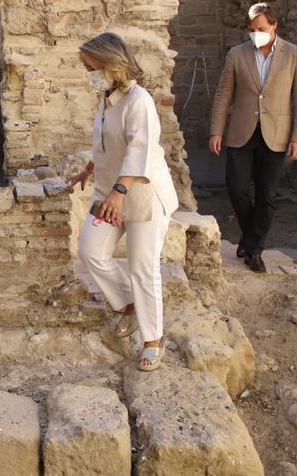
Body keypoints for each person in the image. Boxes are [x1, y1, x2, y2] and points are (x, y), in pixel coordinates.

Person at [67, 32, 179, 372]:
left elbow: (139, 149)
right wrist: (89, 168)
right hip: (109, 190)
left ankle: (153, 339)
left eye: (90, 65)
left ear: (111, 64)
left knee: (143, 267)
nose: (87, 71)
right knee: (91, 250)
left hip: (141, 195)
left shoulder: (139, 100)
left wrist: (119, 191)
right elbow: (107, 143)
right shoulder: (106, 97)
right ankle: (129, 304)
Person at [209, 2, 297, 273]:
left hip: (277, 133)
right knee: (236, 187)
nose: (256, 34)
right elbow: (223, 95)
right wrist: (216, 130)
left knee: (267, 193)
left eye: (262, 29)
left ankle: (254, 249)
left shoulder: (295, 55)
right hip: (240, 132)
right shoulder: (236, 54)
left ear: (274, 26)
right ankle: (249, 235)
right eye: (252, 30)